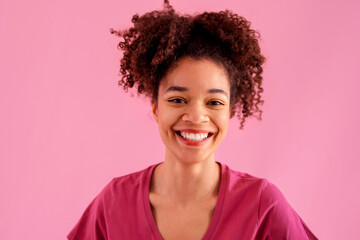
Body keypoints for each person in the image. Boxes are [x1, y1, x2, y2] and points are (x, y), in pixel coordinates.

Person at [67, 1, 318, 239]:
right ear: (156, 107)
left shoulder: (263, 203)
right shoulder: (114, 201)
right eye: (178, 100)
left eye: (214, 102)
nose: (197, 117)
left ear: (230, 111)